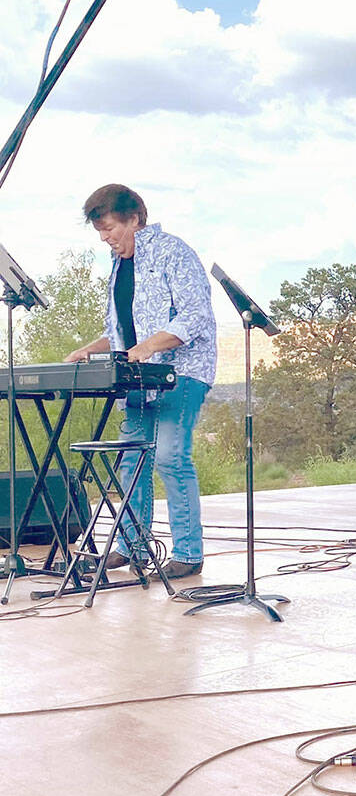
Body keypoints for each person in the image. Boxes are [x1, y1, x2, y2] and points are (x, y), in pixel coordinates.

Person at [65, 184, 217, 580]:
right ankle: (131, 546)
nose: (106, 238)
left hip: (181, 372)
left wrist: (146, 348)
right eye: (100, 232)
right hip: (139, 376)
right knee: (132, 460)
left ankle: (188, 553)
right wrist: (92, 349)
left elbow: (195, 316)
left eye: (111, 228)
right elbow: (119, 334)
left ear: (134, 218)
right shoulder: (119, 266)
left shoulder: (173, 251)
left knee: (169, 456)